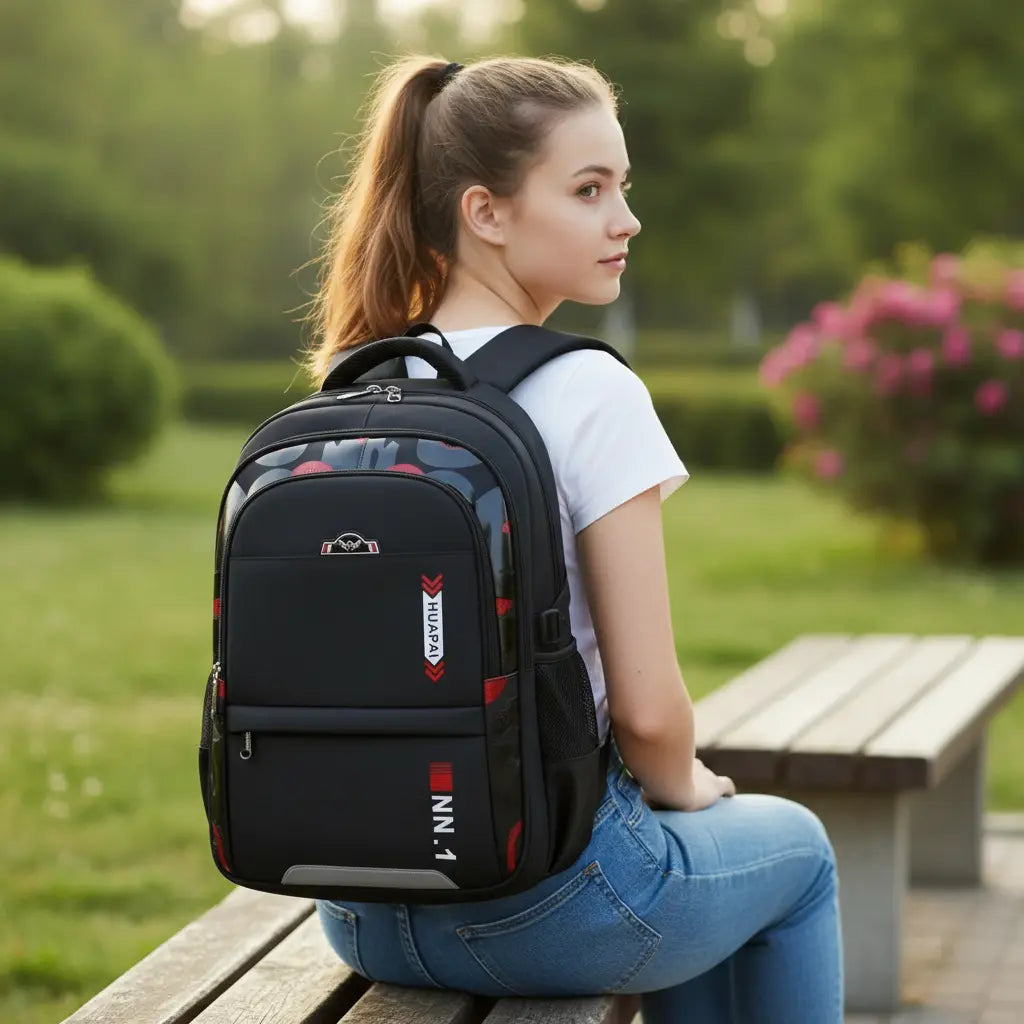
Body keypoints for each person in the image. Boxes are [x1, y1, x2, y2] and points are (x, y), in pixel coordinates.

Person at [301, 54, 843, 1024]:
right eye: (589, 189)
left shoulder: (358, 376)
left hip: (361, 902)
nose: (624, 219)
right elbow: (647, 715)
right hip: (538, 904)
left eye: (622, 188)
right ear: (487, 213)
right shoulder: (588, 389)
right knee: (791, 853)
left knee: (693, 862)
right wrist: (692, 785)